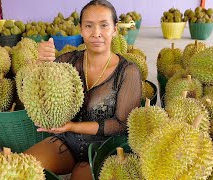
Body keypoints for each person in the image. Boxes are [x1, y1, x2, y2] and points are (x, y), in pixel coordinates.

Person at [23, 0, 142, 179]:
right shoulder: (67, 61)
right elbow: (37, 92)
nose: (96, 33)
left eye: (104, 25)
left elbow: (121, 125)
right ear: (80, 28)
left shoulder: (128, 71)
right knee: (23, 168)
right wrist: (40, 63)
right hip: (67, 142)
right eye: (89, 25)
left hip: (105, 148)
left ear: (115, 29)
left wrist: (72, 126)